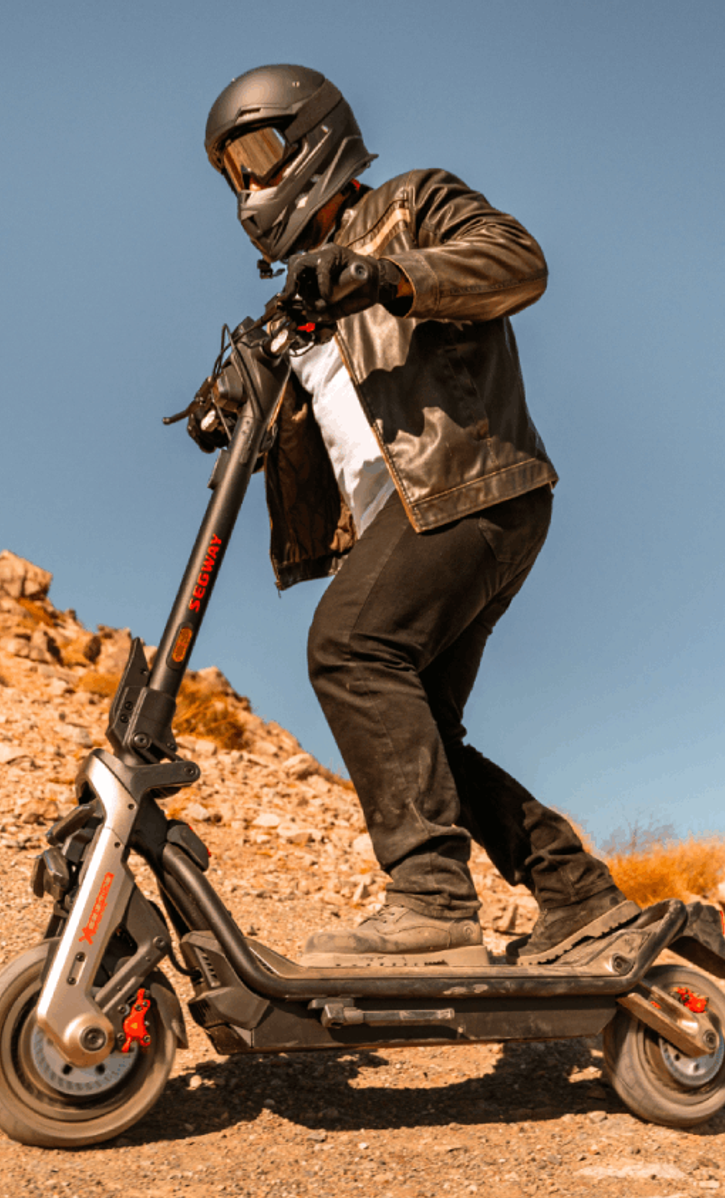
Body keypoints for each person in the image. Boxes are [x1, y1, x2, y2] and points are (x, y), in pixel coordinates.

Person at [190, 64, 635, 964]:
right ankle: (577, 895)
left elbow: (517, 261)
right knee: (420, 731)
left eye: (262, 154)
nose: (250, 186)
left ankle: (431, 900)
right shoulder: (297, 303)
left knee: (349, 649)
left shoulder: (410, 205)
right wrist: (230, 400)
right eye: (235, 172)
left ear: (315, 138)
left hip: (466, 488)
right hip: (416, 517)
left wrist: (386, 274)